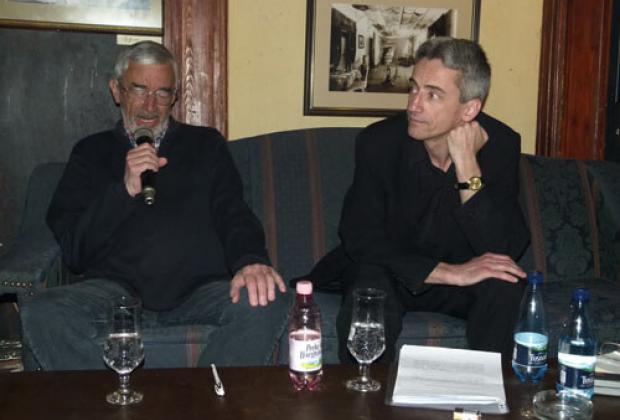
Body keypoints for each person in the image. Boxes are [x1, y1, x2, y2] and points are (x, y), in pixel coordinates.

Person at [19, 41, 289, 370]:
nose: (150, 105)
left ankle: (209, 397)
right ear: (116, 90)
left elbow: (233, 213)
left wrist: (251, 261)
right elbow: (76, 251)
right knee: (42, 311)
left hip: (199, 291)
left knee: (268, 300)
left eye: (162, 93)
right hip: (115, 292)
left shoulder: (206, 145)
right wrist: (124, 190)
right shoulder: (90, 153)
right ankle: (105, 399)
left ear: (174, 98)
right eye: (139, 89)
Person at [307, 37, 530, 362]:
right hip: (393, 273)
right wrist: (447, 272)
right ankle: (365, 390)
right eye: (413, 88)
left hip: (461, 286)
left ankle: (488, 389)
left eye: (432, 95)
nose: (414, 105)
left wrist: (467, 164)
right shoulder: (379, 142)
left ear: (469, 109)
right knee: (368, 283)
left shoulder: (500, 145)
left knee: (505, 285)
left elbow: (502, 246)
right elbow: (360, 237)